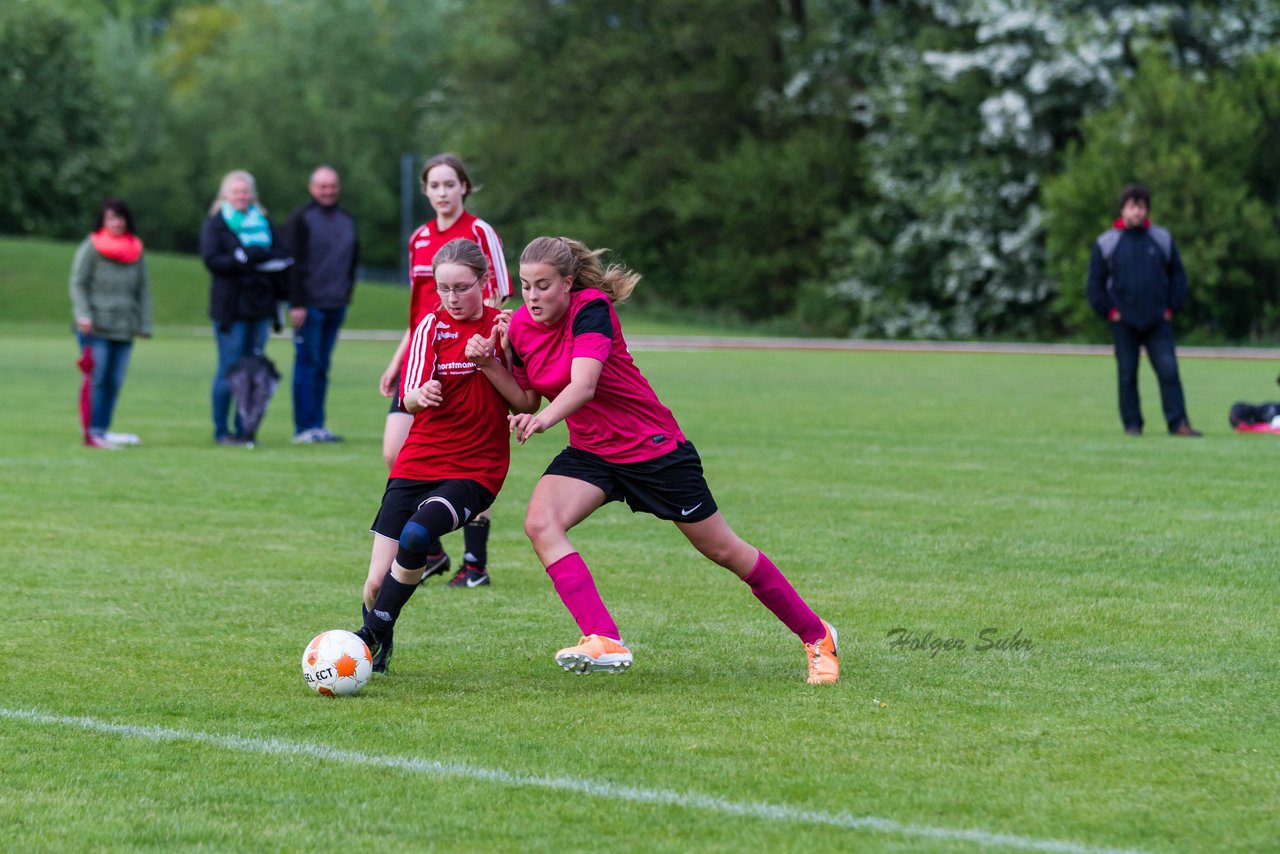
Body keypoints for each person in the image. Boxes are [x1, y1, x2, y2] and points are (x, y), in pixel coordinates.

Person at [465, 236, 839, 684]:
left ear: (567, 283)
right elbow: (525, 398)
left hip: (653, 450)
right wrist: (491, 364)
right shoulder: (521, 326)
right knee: (540, 523)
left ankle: (818, 636)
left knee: (724, 550)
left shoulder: (591, 310)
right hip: (592, 453)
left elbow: (583, 385)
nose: (532, 296)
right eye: (525, 286)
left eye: (543, 286)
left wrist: (543, 420)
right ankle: (603, 637)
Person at [354, 239, 512, 672]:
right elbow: (409, 395)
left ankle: (369, 636)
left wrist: (490, 362)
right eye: (443, 289)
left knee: (417, 536)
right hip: (418, 461)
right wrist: (418, 394)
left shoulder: (504, 328)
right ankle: (379, 646)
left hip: (475, 467)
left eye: (461, 287)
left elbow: (524, 400)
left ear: (484, 282)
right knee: (373, 582)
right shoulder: (430, 326)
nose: (452, 298)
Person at [378, 153, 511, 588]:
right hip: (425, 354)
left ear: (464, 187)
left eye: (449, 184)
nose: (442, 192)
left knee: (470, 459)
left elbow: (503, 301)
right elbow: (420, 313)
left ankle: (475, 562)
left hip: (474, 357)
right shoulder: (418, 238)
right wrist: (399, 359)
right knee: (394, 452)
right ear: (425, 191)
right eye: (434, 185)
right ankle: (429, 550)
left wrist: (494, 354)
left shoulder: (478, 232)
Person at [1086, 183, 1201, 437]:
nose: (1136, 213)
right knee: (1127, 374)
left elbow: (1178, 278)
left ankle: (1178, 423)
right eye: (1131, 207)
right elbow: (1094, 284)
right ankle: (1132, 425)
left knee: (1169, 371)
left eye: (1140, 207)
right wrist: (1110, 312)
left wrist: (1172, 308)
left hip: (1157, 320)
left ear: (1147, 210)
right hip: (1123, 321)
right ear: (1122, 210)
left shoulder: (1161, 239)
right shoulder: (1107, 242)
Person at [201, 170, 293, 446]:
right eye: (236, 192)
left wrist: (248, 258)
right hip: (231, 308)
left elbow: (282, 254)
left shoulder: (263, 221)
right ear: (226, 195)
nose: (241, 196)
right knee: (229, 368)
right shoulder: (217, 224)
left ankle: (246, 429)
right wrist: (242, 259)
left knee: (254, 368)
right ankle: (221, 430)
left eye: (245, 192)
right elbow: (212, 260)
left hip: (259, 306)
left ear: (252, 194)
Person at [69, 197, 152, 450]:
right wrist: (83, 314)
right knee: (98, 379)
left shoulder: (136, 249)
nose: (116, 222)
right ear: (103, 221)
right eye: (111, 218)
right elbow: (78, 283)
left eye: (120, 217)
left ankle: (102, 429)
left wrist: (145, 323)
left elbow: (143, 289)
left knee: (115, 381)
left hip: (124, 326)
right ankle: (91, 432)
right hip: (96, 326)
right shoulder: (92, 247)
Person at [285, 165, 359, 444]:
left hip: (335, 304)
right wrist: (297, 303)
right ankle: (304, 426)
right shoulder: (301, 219)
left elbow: (352, 259)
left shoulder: (346, 219)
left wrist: (347, 293)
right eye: (322, 186)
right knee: (308, 364)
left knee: (322, 366)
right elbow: (292, 264)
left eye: (332, 186)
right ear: (312, 188)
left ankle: (318, 424)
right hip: (309, 305)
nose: (328, 191)